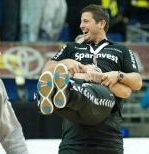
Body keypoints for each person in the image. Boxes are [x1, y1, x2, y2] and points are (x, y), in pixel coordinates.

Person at [35, 4, 142, 154]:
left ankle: (61, 92)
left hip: (108, 139)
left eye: (85, 21)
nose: (81, 25)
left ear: (101, 23)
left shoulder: (121, 50)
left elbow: (137, 82)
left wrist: (118, 75)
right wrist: (68, 63)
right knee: (65, 82)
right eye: (81, 21)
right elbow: (46, 70)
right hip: (73, 140)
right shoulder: (71, 48)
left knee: (79, 87)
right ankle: (52, 94)